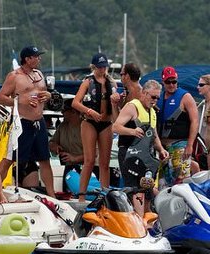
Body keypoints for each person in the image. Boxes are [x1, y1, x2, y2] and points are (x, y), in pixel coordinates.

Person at [0, 46, 55, 198]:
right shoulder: (14, 76)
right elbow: (1, 98)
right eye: (36, 56)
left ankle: (52, 194)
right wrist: (19, 101)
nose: (39, 59)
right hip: (22, 123)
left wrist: (47, 95)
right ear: (27, 59)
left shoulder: (39, 74)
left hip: (39, 121)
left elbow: (44, 94)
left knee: (44, 159)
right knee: (9, 159)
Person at [113, 80, 168, 217]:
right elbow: (116, 127)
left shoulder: (152, 112)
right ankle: (139, 221)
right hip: (129, 154)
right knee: (136, 190)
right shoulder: (132, 107)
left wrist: (161, 149)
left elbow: (153, 134)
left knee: (148, 190)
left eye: (158, 98)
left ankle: (147, 220)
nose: (155, 100)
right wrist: (132, 131)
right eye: (153, 97)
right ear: (144, 93)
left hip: (146, 156)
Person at [72, 53, 119, 202]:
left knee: (105, 163)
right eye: (99, 67)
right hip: (90, 122)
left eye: (104, 67)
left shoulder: (112, 83)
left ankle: (104, 195)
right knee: (90, 160)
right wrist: (89, 111)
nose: (102, 70)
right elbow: (75, 102)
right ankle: (82, 195)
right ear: (94, 67)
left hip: (106, 123)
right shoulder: (87, 82)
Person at [157, 66, 200, 187]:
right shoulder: (158, 97)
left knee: (181, 182)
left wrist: (190, 145)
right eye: (168, 82)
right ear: (163, 82)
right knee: (163, 183)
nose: (171, 85)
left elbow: (195, 121)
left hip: (180, 144)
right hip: (163, 148)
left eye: (174, 81)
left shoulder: (185, 97)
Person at [49, 99, 84, 192]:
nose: (62, 113)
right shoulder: (62, 127)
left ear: (73, 111)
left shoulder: (86, 127)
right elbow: (51, 143)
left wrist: (75, 158)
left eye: (64, 111)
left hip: (85, 168)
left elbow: (95, 153)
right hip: (68, 168)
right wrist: (55, 146)